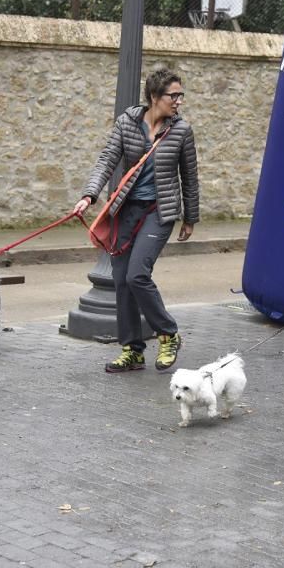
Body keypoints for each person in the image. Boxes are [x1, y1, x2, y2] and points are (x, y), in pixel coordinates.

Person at [74, 68, 199, 373]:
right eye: (174, 95)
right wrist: (89, 195)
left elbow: (190, 177)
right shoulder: (127, 122)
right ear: (154, 97)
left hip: (160, 210)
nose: (179, 101)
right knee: (121, 280)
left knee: (137, 275)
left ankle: (168, 333)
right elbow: (107, 159)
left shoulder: (181, 130)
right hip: (126, 209)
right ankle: (132, 350)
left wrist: (190, 218)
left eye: (181, 95)